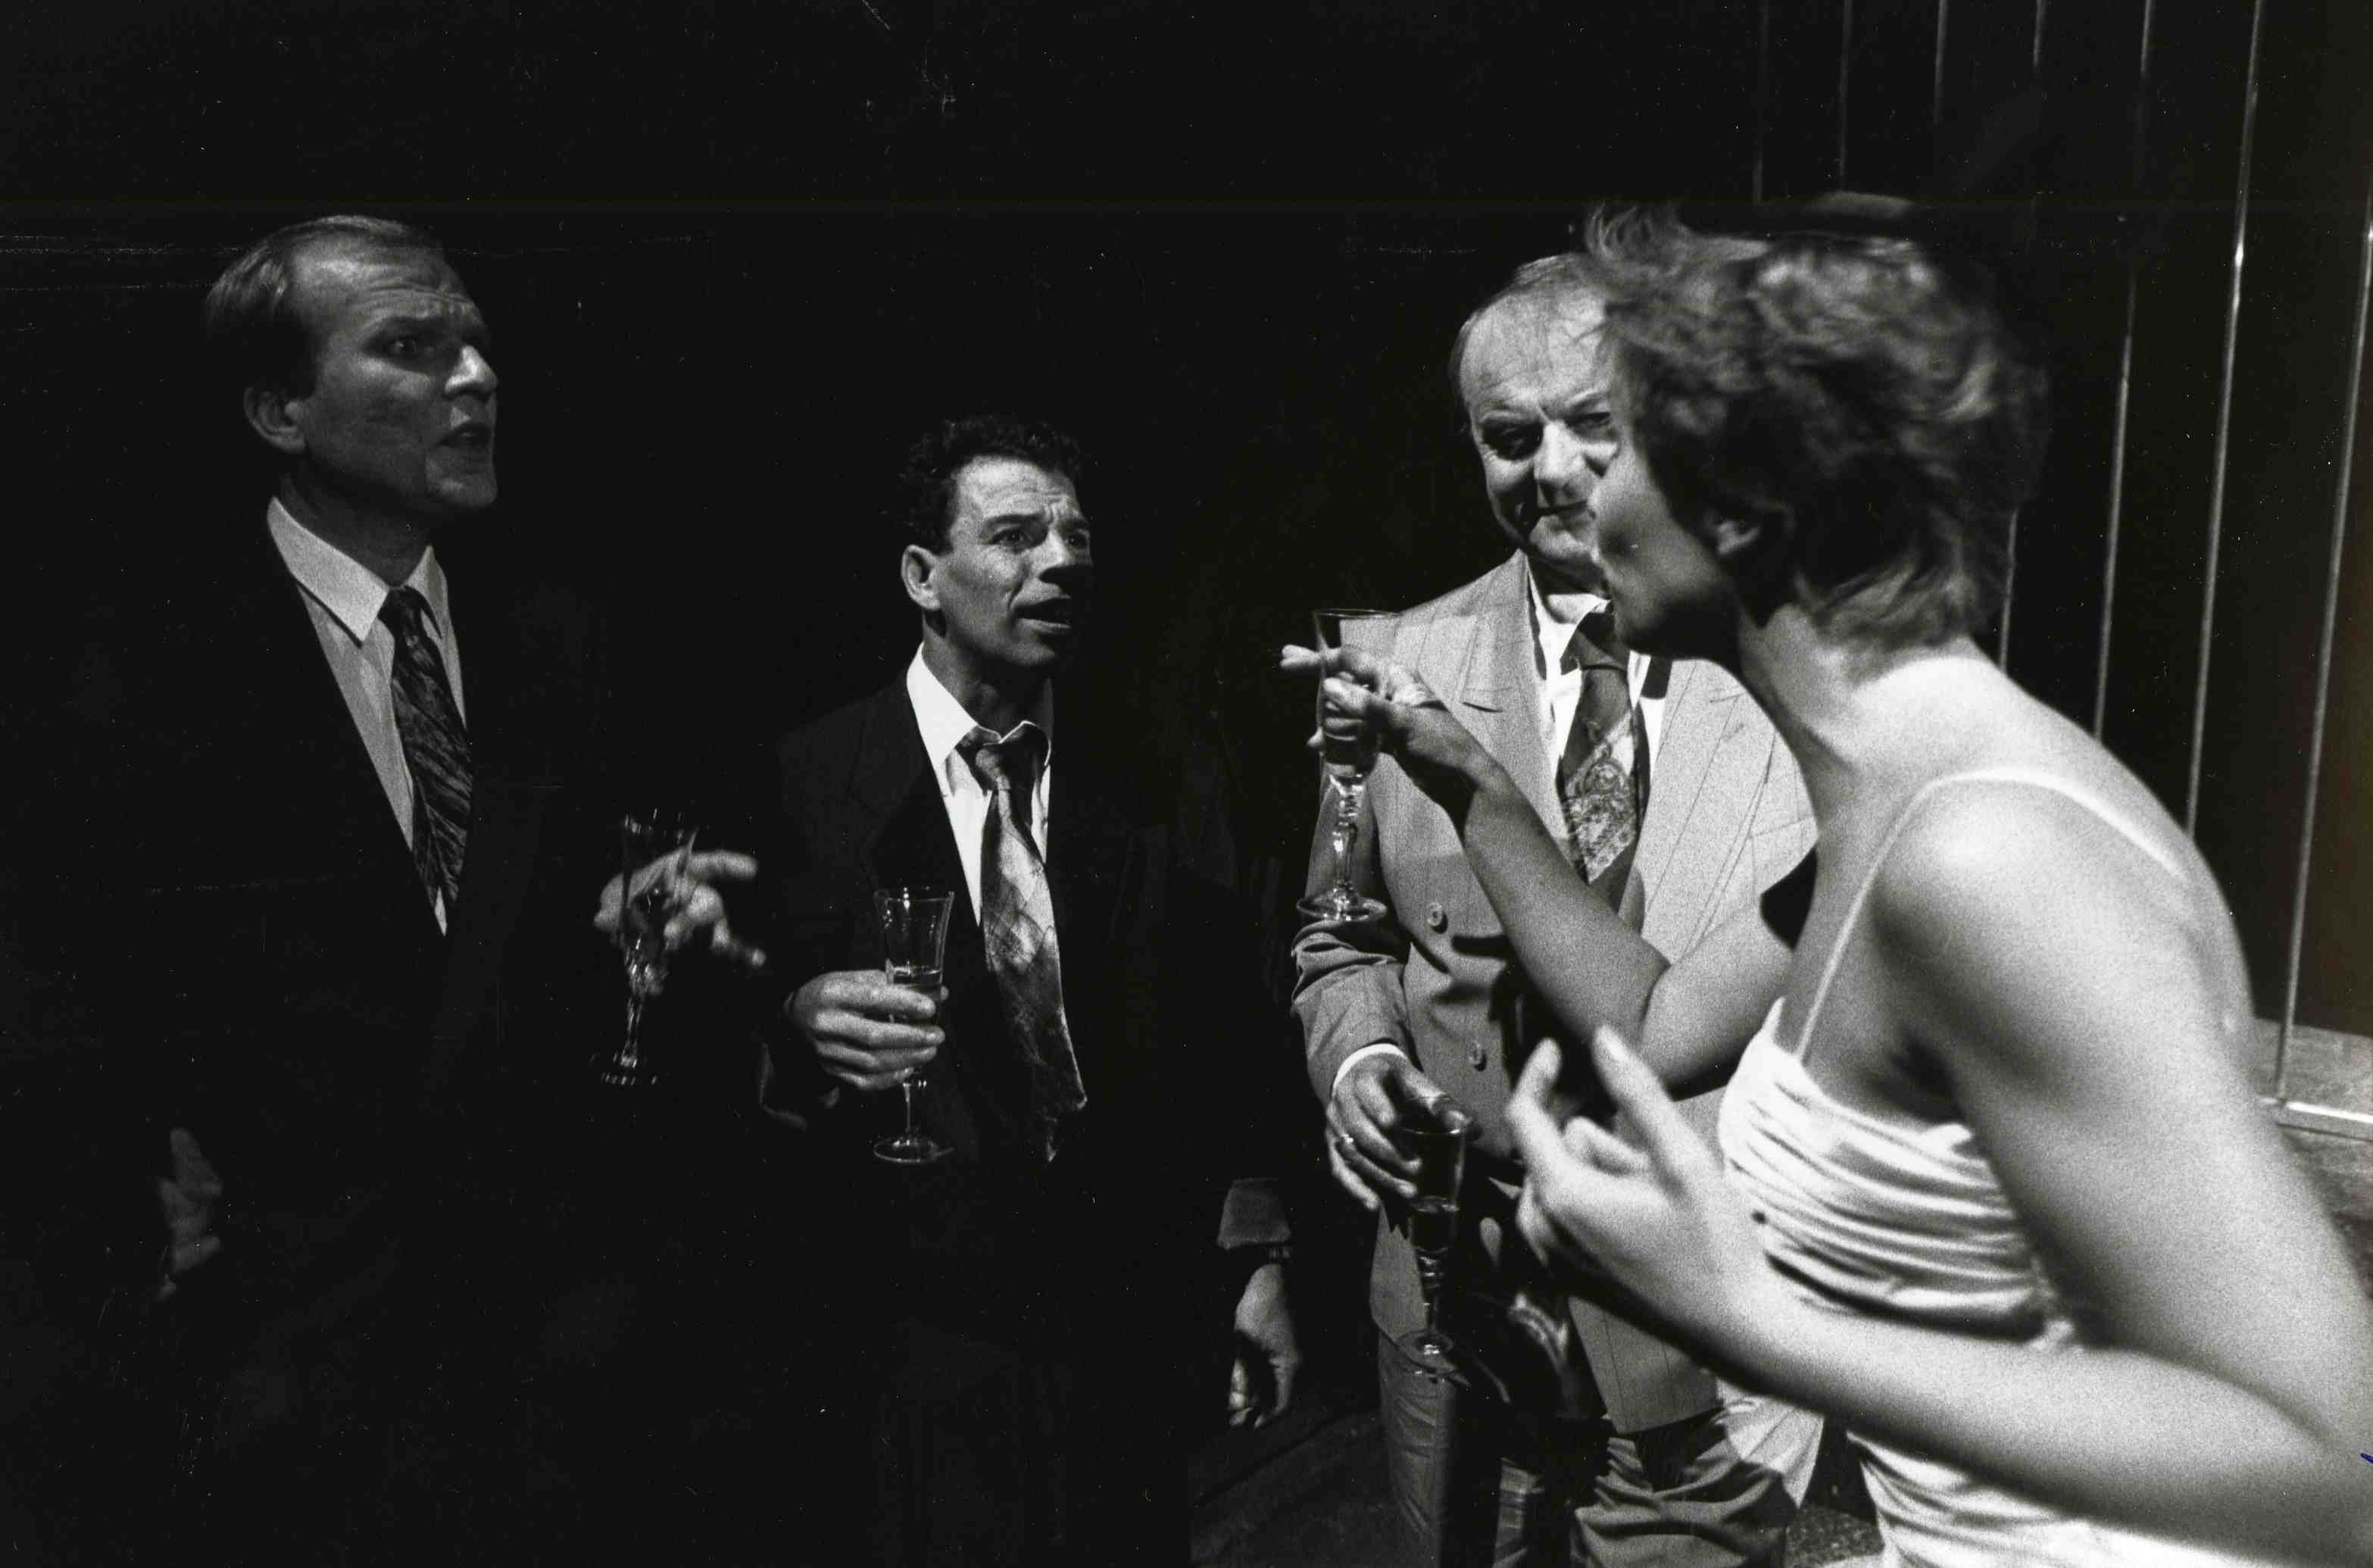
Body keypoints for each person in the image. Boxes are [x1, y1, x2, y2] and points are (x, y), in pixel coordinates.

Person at [1295, 209, 2373, 1566]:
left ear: (1739, 503)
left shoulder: (1985, 853)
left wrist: (1758, 1324)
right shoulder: (1890, 806)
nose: (1574, 491)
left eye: (1620, 445)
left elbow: (2328, 1464)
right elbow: (1649, 1018)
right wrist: (1469, 781)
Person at [75, 215, 756, 1560]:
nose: (476, 377)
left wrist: (647, 923)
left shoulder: (564, 637)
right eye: (411, 346)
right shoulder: (150, 671)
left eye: (478, 344)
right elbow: (87, 999)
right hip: (290, 1391)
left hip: (562, 1381)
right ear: (279, 409)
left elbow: (586, 955)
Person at [1290, 255, 1822, 1566]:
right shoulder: (1394, 658)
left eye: (1596, 423)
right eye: (1509, 435)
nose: (1554, 469)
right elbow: (1340, 931)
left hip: (1713, 1343)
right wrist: (1358, 1058)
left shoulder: (1797, 680)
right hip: (1461, 1317)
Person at [756, 414, 1302, 1564]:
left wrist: (1255, 1261)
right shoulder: (803, 782)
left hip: (1118, 1342)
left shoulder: (1156, 776)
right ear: (922, 576)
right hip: (903, 1353)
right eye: (1015, 537)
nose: (1061, 562)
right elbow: (728, 1039)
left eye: (1076, 537)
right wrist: (794, 1022)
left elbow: (1231, 1032)